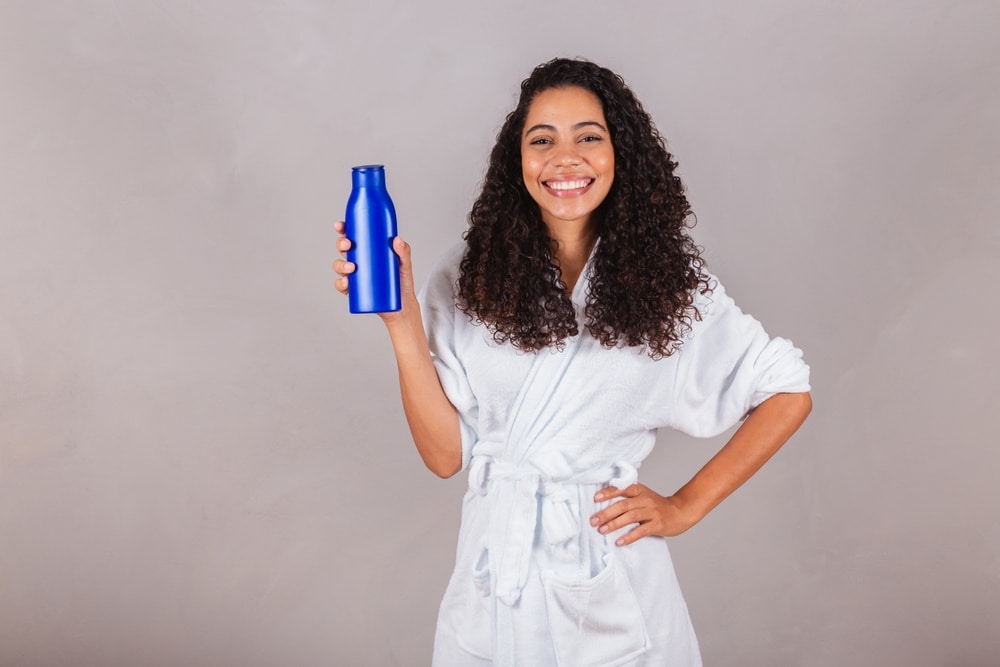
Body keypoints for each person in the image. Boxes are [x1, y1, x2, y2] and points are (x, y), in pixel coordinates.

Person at [333, 57, 812, 667]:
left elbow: (788, 391)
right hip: (491, 580)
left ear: (621, 155)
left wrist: (685, 506)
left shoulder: (672, 287)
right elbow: (446, 457)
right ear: (519, 162)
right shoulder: (469, 273)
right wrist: (401, 323)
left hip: (606, 576)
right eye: (543, 141)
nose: (566, 158)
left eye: (589, 136)